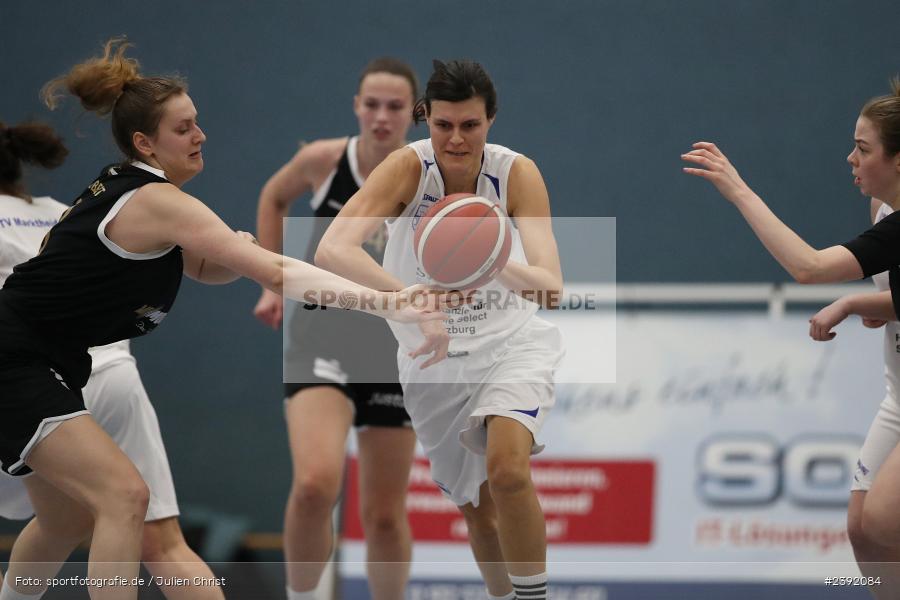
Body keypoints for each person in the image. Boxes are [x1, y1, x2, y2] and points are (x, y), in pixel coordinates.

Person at [0, 39, 442, 600]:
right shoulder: (158, 200)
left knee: (64, 520)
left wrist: (237, 252)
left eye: (198, 122)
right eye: (183, 128)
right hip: (15, 359)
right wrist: (390, 302)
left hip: (49, 364)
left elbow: (207, 267)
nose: (200, 135)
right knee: (124, 497)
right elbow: (279, 272)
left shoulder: (143, 200)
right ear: (145, 143)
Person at [316, 59, 564, 600]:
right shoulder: (408, 168)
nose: (456, 139)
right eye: (443, 125)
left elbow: (551, 288)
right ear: (426, 118)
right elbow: (333, 247)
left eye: (470, 126)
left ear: (491, 120)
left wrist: (490, 256)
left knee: (508, 473)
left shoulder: (515, 173)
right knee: (479, 514)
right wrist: (404, 299)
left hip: (511, 344)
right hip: (433, 355)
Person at [684, 79, 900, 598]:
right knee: (861, 531)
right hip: (898, 395)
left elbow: (810, 267)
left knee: (887, 522)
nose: (850, 157)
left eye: (863, 149)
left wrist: (738, 189)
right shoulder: (883, 210)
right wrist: (864, 305)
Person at [0, 118, 223, 600]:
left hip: (29, 376)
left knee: (84, 511)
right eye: (185, 125)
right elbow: (199, 260)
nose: (199, 135)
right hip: (106, 371)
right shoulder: (71, 209)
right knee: (150, 539)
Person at [253, 58, 419, 600]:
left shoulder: (430, 175)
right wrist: (270, 282)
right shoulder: (325, 161)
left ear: (414, 114)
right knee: (314, 485)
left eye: (394, 106)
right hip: (320, 341)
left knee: (385, 517)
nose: (381, 116)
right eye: (371, 104)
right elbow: (275, 197)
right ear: (356, 106)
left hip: (396, 353)